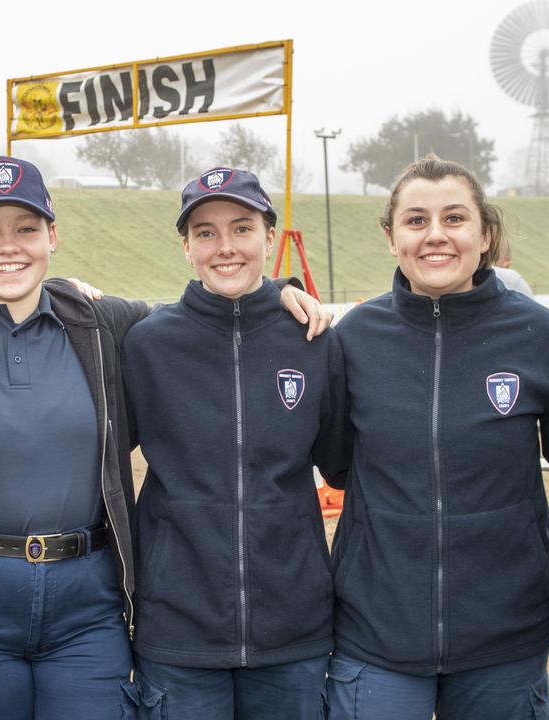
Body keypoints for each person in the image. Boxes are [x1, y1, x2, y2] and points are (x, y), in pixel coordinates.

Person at [0, 156, 329, 720]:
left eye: (27, 230)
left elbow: (209, 312)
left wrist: (278, 293)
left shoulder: (102, 322)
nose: (8, 246)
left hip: (85, 600)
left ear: (53, 237)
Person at [325, 155, 549, 719]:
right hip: (377, 635)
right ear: (392, 238)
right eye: (416, 221)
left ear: (484, 234)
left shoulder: (538, 335)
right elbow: (340, 464)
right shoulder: (354, 339)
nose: (435, 235)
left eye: (455, 218)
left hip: (504, 639)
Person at [121, 168, 350, 719]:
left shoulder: (314, 339)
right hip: (179, 630)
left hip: (292, 631)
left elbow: (341, 464)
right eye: (205, 232)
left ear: (269, 238)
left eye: (242, 228)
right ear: (186, 247)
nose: (225, 247)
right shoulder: (149, 344)